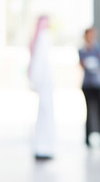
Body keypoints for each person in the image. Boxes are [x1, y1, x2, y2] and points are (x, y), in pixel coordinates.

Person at [28, 15, 56, 160]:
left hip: (46, 83)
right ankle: (43, 147)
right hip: (44, 83)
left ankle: (44, 147)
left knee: (45, 114)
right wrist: (35, 81)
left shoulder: (42, 37)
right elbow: (39, 62)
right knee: (45, 114)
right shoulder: (44, 37)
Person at [78, 27, 100, 147]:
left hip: (98, 83)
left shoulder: (98, 48)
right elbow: (82, 63)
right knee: (89, 111)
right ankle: (87, 138)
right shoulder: (82, 49)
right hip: (87, 84)